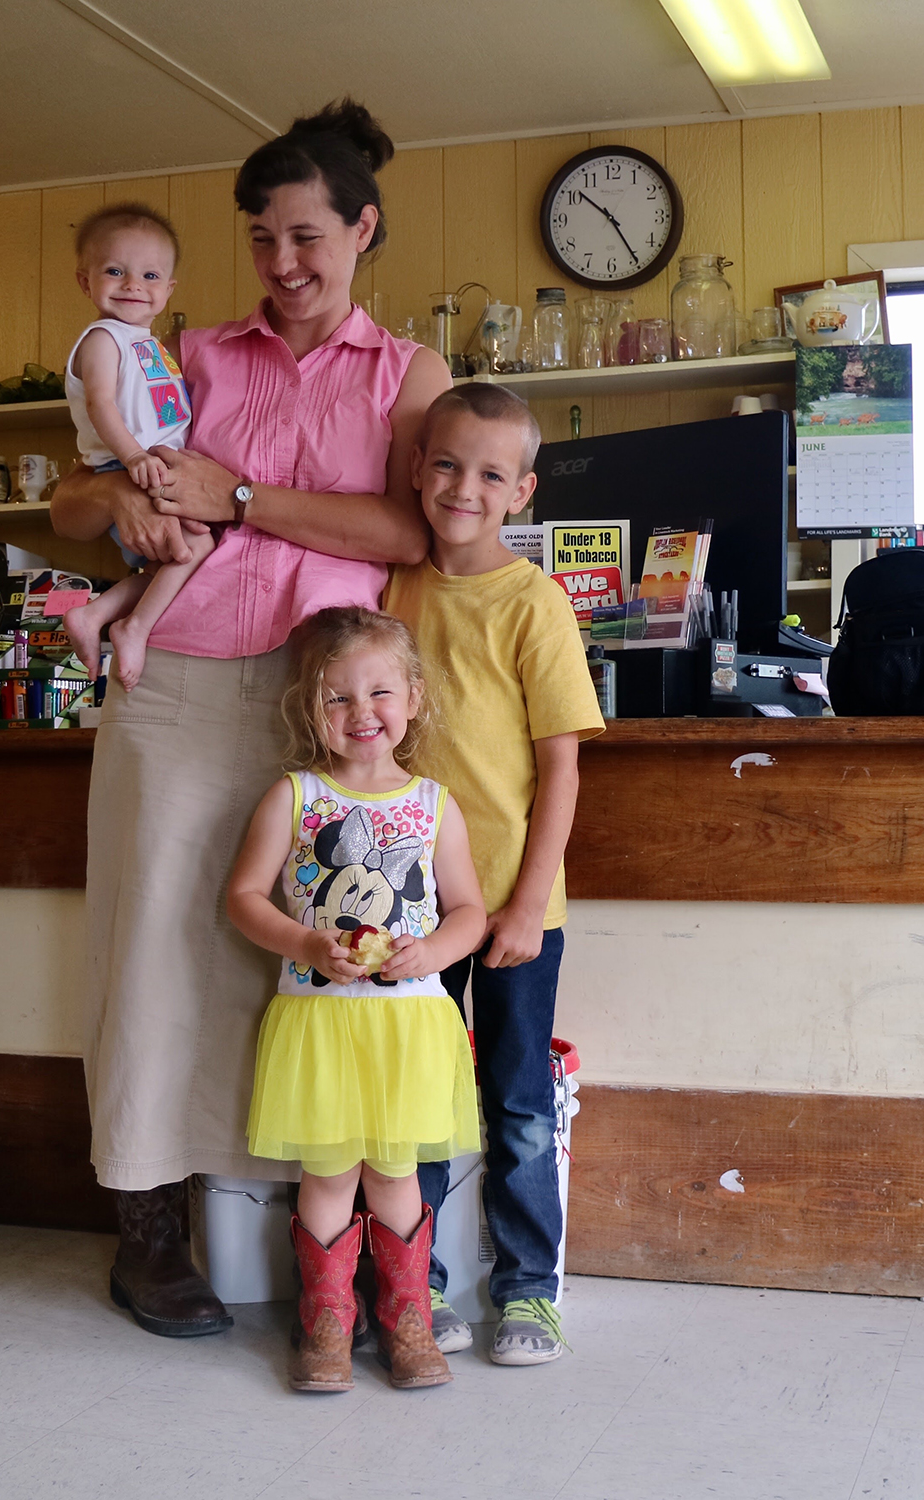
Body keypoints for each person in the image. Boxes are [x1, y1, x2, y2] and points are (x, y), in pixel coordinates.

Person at [49, 99, 451, 1341]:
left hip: (325, 707)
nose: (282, 264)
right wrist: (119, 498)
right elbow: (70, 497)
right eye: (261, 239)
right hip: (177, 679)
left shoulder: (407, 373)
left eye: (306, 237)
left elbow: (409, 530)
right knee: (154, 950)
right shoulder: (195, 352)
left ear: (361, 229)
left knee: (308, 961)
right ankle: (148, 1233)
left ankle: (313, 1238)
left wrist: (245, 496)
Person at [384, 383, 604, 1365]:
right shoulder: (392, 588)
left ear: (522, 492)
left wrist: (524, 905)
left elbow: (562, 768)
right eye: (444, 464)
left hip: (517, 907)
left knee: (516, 1103)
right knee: (419, 1100)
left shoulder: (534, 603)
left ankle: (529, 1291)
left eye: (488, 473)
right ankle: (414, 1287)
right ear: (415, 469)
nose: (461, 488)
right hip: (413, 906)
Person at [228, 607, 485, 1392]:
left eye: (379, 693)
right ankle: (328, 1325)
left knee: (396, 1174)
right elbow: (243, 897)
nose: (360, 712)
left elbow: (469, 913)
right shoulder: (294, 796)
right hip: (320, 1024)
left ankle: (408, 1319)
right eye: (337, 697)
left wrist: (432, 950)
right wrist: (306, 944)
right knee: (330, 1174)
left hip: (409, 1025)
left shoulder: (435, 804)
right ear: (312, 707)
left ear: (413, 699)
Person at [58, 204, 215, 692]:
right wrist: (133, 458)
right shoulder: (102, 339)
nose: (132, 284)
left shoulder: (147, 342)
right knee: (195, 547)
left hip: (154, 468)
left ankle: (95, 615)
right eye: (114, 271)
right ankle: (133, 627)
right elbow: (101, 405)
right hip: (126, 467)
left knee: (174, 560)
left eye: (150, 275)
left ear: (168, 290)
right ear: (85, 282)